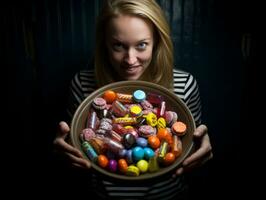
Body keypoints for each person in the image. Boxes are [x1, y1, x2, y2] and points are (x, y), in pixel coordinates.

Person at [53, 0, 213, 199]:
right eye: (118, 45)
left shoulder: (185, 84)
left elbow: (188, 145)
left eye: (142, 45)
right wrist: (63, 154)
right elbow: (78, 148)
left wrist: (200, 149)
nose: (130, 59)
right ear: (104, 44)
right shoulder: (82, 84)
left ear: (157, 42)